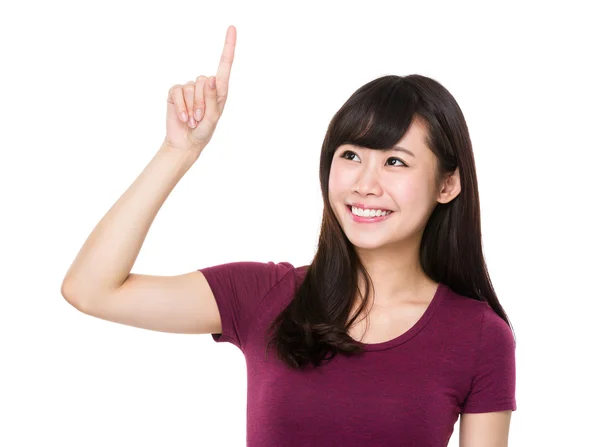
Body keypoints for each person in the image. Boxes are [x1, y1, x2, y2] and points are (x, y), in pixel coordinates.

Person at [60, 25, 516, 447]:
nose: (365, 183)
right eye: (352, 155)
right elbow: (91, 290)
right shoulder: (265, 296)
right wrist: (178, 151)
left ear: (447, 184)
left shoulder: (479, 336)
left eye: (395, 162)